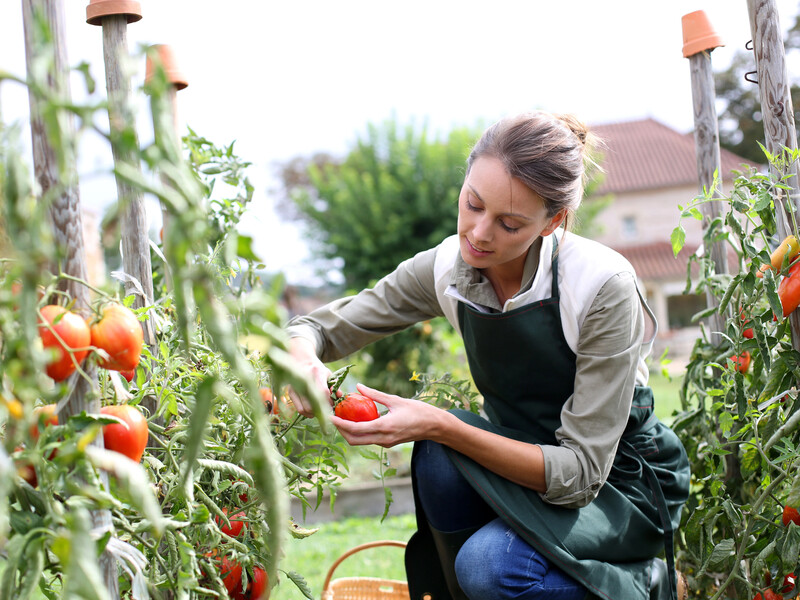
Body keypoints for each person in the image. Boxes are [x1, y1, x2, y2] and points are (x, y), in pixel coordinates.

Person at [285, 111, 691, 600]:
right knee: (438, 456)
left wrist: (440, 423)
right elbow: (314, 327)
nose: (478, 233)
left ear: (552, 221)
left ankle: (646, 585)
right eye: (472, 204)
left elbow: (581, 473)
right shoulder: (448, 268)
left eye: (509, 223)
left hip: (614, 486)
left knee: (487, 565)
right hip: (520, 464)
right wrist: (303, 358)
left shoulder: (601, 286)